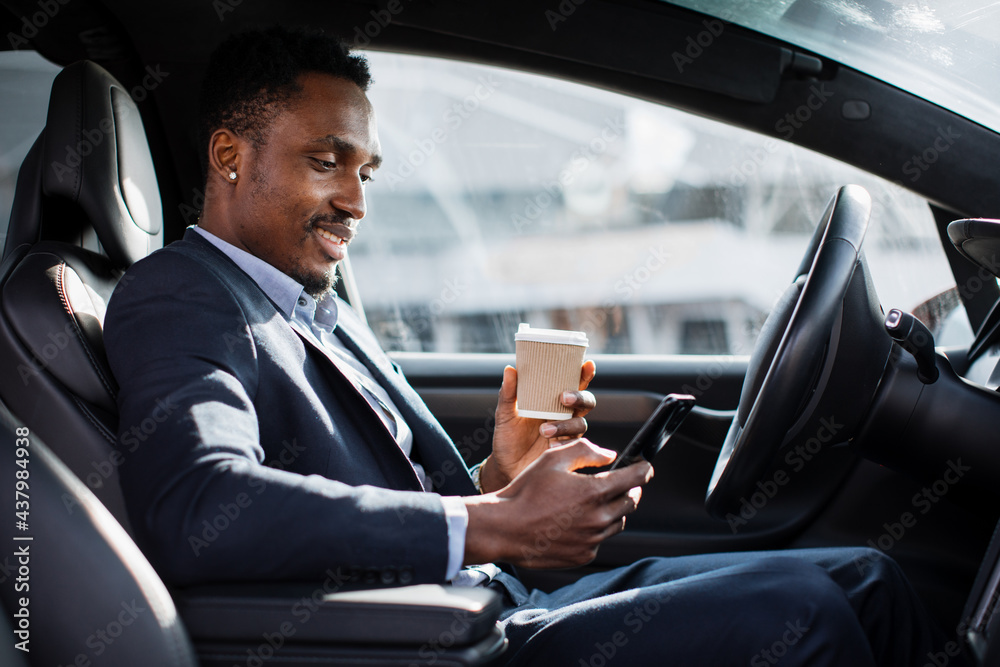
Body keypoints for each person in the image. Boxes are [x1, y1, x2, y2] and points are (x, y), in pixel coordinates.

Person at [104, 27, 964, 666]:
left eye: (365, 172)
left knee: (868, 576)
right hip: (443, 639)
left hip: (492, 601)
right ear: (228, 155)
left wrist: (502, 478)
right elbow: (202, 507)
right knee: (810, 608)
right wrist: (497, 522)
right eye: (327, 161)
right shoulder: (181, 296)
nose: (357, 202)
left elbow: (373, 489)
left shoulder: (307, 301)